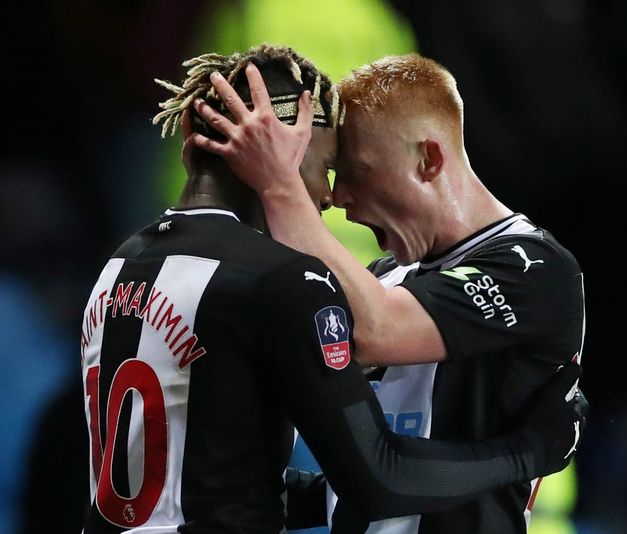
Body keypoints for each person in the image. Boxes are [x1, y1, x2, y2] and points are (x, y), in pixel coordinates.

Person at [81, 45, 584, 534]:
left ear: (428, 159)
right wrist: (530, 451)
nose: (337, 199)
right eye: (330, 173)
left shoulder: (533, 268)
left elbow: (373, 336)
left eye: (356, 173)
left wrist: (280, 186)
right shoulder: (365, 281)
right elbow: (368, 472)